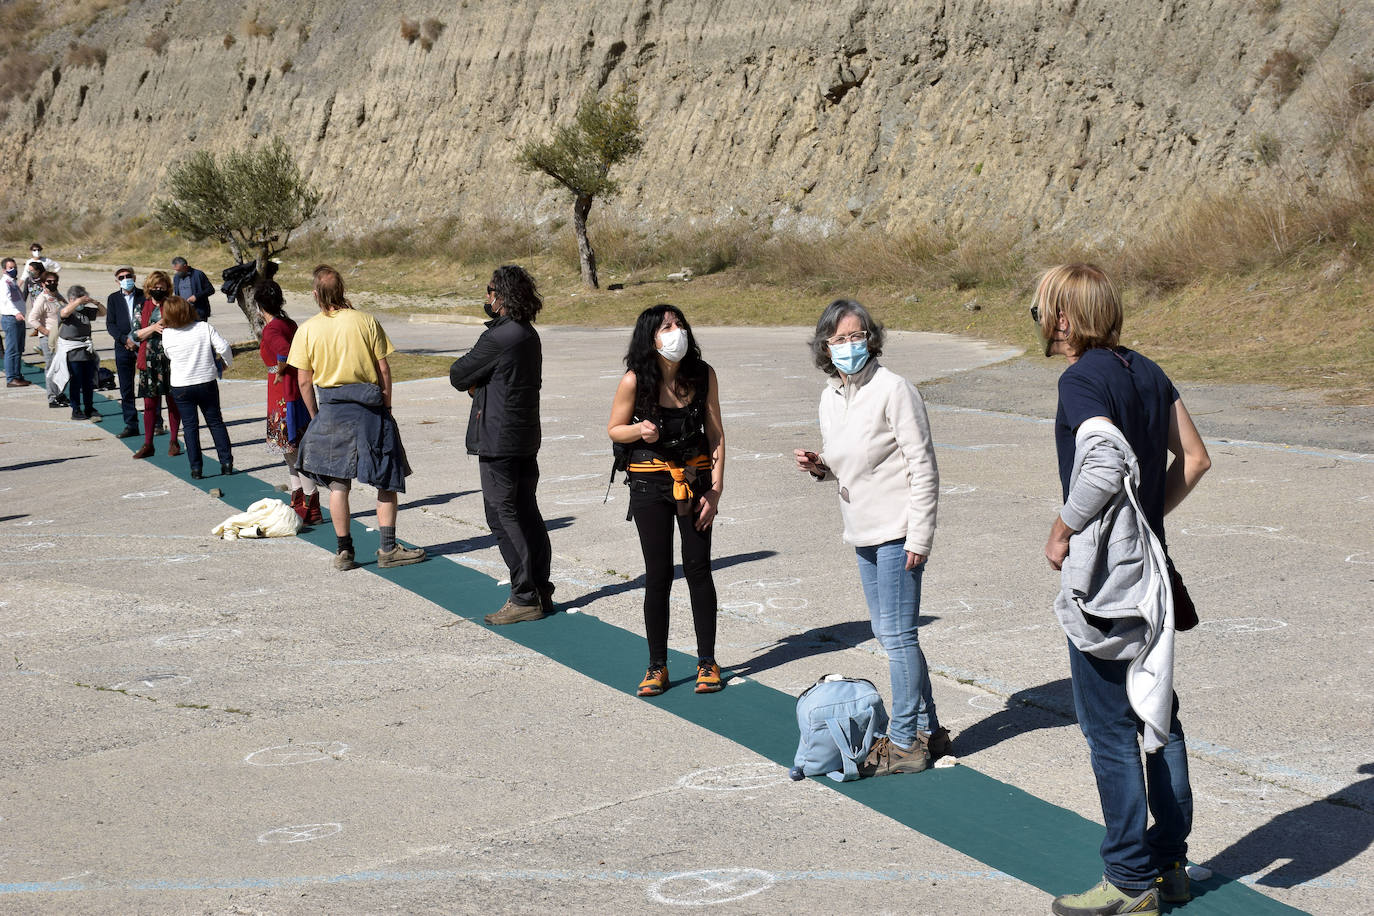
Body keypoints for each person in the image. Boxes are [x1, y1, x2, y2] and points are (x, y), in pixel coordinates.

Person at [1034, 265, 1210, 916]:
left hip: (1111, 584)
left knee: (1109, 728)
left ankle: (1130, 880)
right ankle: (1171, 863)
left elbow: (1105, 462)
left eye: (1044, 310)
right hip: (1154, 575)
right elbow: (1194, 457)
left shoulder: (1081, 380)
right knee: (1159, 716)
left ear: (1065, 319)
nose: (1042, 322)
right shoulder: (1149, 371)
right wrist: (1147, 515)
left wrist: (1063, 530)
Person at [794, 299, 950, 775]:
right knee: (890, 634)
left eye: (856, 335)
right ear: (825, 346)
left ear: (872, 338)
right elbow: (849, 463)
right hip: (861, 530)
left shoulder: (894, 389)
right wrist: (821, 468)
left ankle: (904, 743)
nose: (848, 345)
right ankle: (928, 728)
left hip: (898, 531)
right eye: (838, 339)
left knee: (898, 639)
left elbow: (923, 465)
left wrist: (920, 535)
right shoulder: (830, 396)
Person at [606, 305, 726, 695]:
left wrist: (715, 489)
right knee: (658, 575)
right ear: (650, 339)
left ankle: (707, 661)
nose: (677, 332)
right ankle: (657, 666)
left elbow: (716, 435)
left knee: (698, 569)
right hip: (648, 486)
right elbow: (614, 430)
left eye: (680, 325)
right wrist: (639, 430)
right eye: (667, 328)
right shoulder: (634, 381)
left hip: (695, 483)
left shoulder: (703, 375)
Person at [288, 265, 425, 570]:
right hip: (370, 408)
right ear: (343, 291)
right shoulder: (366, 321)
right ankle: (387, 548)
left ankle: (344, 551)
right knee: (386, 479)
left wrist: (315, 416)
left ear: (315, 295)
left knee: (338, 484)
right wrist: (387, 408)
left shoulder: (308, 329)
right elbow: (384, 370)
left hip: (333, 409)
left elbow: (304, 381)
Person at [449, 265, 553, 624]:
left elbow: (459, 373)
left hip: (499, 438)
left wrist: (480, 381)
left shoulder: (500, 336)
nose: (487, 296)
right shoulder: (528, 333)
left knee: (501, 514)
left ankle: (524, 595)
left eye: (491, 290)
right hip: (523, 435)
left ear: (503, 296)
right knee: (526, 511)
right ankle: (540, 588)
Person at [255, 278, 321, 523]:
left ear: (260, 305)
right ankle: (298, 499)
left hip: (285, 394)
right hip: (293, 391)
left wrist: (280, 371)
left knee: (294, 451)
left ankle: (310, 504)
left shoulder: (272, 328)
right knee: (290, 451)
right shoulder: (288, 322)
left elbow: (284, 351)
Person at [150, 294, 233, 479]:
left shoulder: (168, 334)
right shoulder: (204, 327)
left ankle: (196, 468)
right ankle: (226, 462)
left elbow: (169, 355)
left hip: (182, 384)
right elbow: (224, 347)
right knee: (215, 422)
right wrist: (225, 364)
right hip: (206, 380)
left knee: (190, 427)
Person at [50, 283, 105, 422]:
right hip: (72, 352)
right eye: (78, 299)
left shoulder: (85, 311)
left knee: (88, 382)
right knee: (75, 381)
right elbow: (64, 313)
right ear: (71, 299)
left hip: (86, 351)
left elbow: (104, 312)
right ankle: (76, 409)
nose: (81, 302)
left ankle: (89, 407)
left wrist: (95, 302)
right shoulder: (65, 309)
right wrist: (77, 302)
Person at [105, 266, 144, 436]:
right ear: (117, 281)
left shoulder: (144, 296)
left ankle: (156, 422)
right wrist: (124, 339)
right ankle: (131, 425)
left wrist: (138, 339)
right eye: (121, 277)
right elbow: (110, 324)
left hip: (143, 344)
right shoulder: (113, 299)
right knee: (126, 389)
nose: (125, 279)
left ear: (134, 278)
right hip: (123, 347)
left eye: (128, 276)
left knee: (149, 386)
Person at [25, 270, 67, 407]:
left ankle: (60, 394)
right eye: (49, 281)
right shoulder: (41, 298)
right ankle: (52, 397)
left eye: (54, 281)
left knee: (61, 367)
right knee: (51, 367)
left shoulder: (57, 296)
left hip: (61, 337)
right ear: (43, 284)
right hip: (48, 338)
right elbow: (32, 319)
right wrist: (46, 332)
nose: (52, 283)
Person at [1, 257, 29, 387]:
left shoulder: (13, 282)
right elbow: (7, 301)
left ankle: (17, 376)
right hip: (11, 318)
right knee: (12, 350)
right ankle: (11, 378)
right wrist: (16, 312)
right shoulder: (4, 283)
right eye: (10, 268)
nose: (14, 270)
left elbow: (19, 299)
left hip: (19, 319)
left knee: (18, 349)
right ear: (4, 270)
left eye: (15, 267)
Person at [171, 256, 215, 320]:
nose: (177, 272)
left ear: (185, 266)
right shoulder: (176, 277)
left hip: (198, 312)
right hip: (183, 313)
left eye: (179, 270)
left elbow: (210, 290)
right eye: (176, 270)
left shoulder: (198, 274)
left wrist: (196, 296)